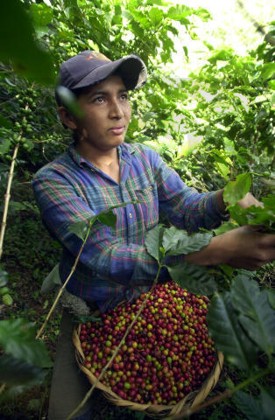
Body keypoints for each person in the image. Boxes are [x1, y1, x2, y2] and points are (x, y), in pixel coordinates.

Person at [32, 50, 275, 419]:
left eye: (123, 96)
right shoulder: (54, 181)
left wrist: (228, 196)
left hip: (149, 301)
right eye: (99, 98)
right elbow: (104, 256)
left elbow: (186, 207)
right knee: (68, 412)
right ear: (68, 116)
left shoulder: (144, 159)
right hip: (92, 315)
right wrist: (215, 251)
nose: (119, 111)